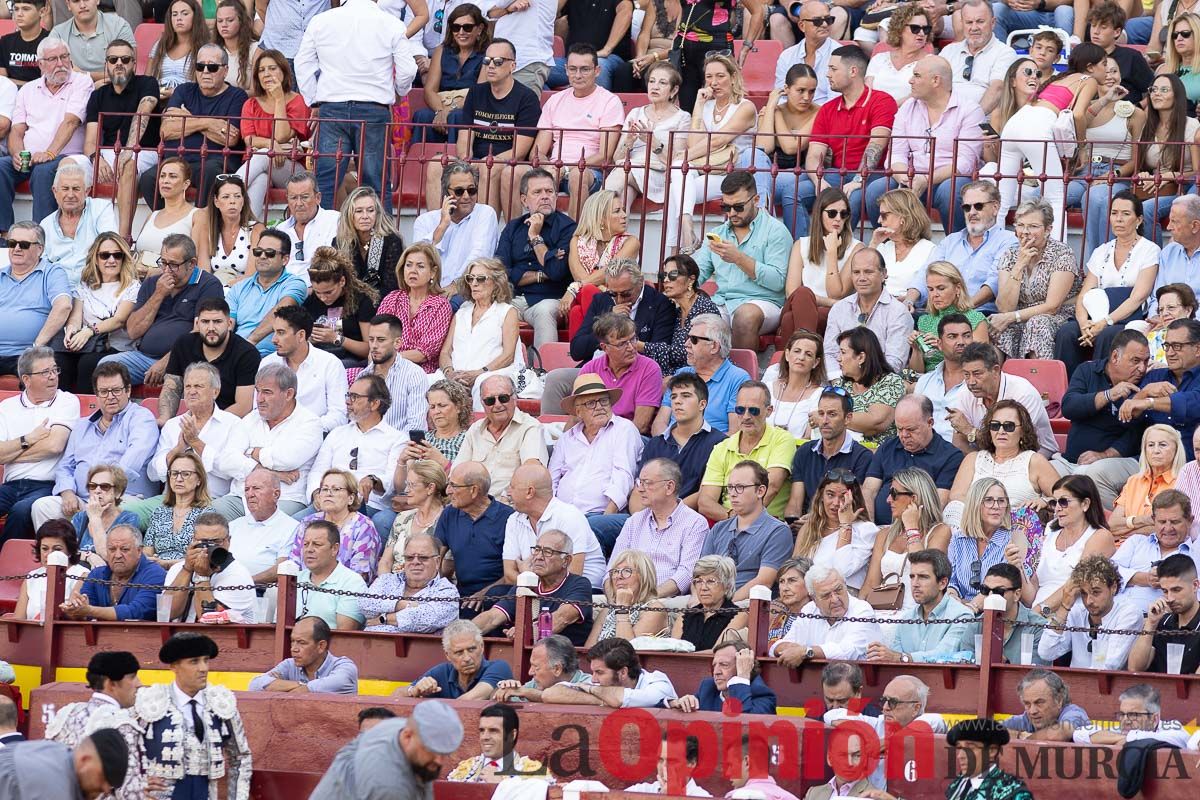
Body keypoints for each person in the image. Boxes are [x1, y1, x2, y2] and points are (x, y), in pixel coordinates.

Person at [294, 0, 418, 209]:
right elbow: (407, 70)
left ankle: (319, 238)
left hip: (332, 107)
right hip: (373, 108)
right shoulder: (391, 23)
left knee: (325, 182)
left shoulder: (321, 21)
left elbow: (302, 63)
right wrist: (400, 90)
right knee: (376, 183)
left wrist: (313, 99)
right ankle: (381, 241)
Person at [31, 361, 157, 528]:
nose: (110, 396)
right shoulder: (82, 426)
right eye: (104, 392)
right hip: (83, 500)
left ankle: (95, 554)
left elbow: (131, 463)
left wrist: (102, 491)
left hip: (123, 498)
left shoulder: (141, 418)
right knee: (43, 507)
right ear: (96, 395)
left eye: (116, 390)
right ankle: (66, 554)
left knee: (117, 510)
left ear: (128, 390)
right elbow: (65, 467)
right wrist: (67, 492)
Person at [866, 56, 982, 235]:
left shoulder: (969, 110)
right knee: (876, 189)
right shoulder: (907, 108)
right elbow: (895, 155)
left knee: (950, 191)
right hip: (911, 177)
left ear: (936, 80)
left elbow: (964, 163)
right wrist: (905, 177)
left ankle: (957, 245)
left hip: (947, 178)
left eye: (917, 75)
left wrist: (926, 179)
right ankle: (888, 249)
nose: (910, 80)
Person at [790, 45, 898, 236]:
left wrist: (859, 179)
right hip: (836, 173)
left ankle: (839, 253)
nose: (827, 74)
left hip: (872, 175)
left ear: (853, 71)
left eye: (833, 69)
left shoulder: (882, 101)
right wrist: (819, 180)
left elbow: (877, 145)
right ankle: (804, 250)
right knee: (793, 192)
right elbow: (815, 153)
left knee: (851, 198)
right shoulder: (828, 108)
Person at [1056, 191, 1160, 378]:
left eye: (1126, 214)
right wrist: (1083, 324)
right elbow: (1084, 295)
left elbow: (1138, 297)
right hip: (1096, 314)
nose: (1118, 219)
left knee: (1108, 334)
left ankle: (1100, 388)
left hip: (1126, 316)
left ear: (1139, 220)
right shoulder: (1101, 251)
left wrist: (1105, 322)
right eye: (1114, 213)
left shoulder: (1149, 250)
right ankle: (1070, 389)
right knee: (1067, 332)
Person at [98, 234, 224, 387]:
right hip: (144, 357)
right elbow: (133, 331)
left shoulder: (208, 285)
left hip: (187, 360)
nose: (166, 270)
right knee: (106, 367)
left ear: (191, 264)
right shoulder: (152, 283)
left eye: (173, 265)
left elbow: (201, 332)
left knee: (191, 377)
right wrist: (158, 294)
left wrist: (168, 362)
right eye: (163, 262)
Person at [513, 43, 623, 220]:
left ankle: (574, 240)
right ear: (565, 69)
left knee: (576, 176)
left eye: (584, 69)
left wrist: (564, 168)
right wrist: (547, 165)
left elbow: (605, 155)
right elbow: (538, 151)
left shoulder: (609, 101)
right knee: (513, 172)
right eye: (573, 69)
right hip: (555, 168)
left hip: (589, 172)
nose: (577, 75)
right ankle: (516, 235)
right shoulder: (555, 100)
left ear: (597, 71)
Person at [135, 633, 251, 798]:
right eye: (194, 661)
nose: (203, 668)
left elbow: (240, 758)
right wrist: (135, 784)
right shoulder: (150, 700)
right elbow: (123, 751)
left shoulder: (221, 702)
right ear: (174, 666)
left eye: (206, 660)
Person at [139, 43, 249, 208]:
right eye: (200, 66)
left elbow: (230, 138)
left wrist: (187, 118)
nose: (205, 72)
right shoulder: (183, 90)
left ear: (225, 71)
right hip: (177, 160)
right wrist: (209, 123)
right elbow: (165, 130)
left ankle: (200, 224)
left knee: (211, 171)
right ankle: (170, 224)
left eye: (212, 67)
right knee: (148, 179)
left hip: (214, 161)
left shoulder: (236, 96)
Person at [689, 174, 790, 350]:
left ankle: (742, 376)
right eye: (726, 207)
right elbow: (697, 273)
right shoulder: (718, 233)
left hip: (765, 303)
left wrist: (739, 259)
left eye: (738, 207)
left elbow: (778, 282)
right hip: (724, 302)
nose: (732, 213)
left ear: (756, 200)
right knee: (699, 318)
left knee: (745, 316)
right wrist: (682, 279)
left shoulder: (776, 231)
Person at [0, 39, 91, 235]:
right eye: (52, 59)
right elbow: (17, 130)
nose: (60, 63)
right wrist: (17, 154)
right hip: (31, 157)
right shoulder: (28, 89)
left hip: (66, 157)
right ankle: (4, 234)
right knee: (1, 167)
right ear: (40, 64)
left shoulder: (81, 82)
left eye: (64, 57)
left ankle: (40, 237)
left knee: (42, 172)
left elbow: (71, 122)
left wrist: (50, 152)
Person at [212, 362, 323, 520]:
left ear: (289, 394)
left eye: (267, 392)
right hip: (241, 497)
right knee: (211, 515)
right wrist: (272, 473)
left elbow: (287, 459)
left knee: (269, 523)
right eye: (258, 391)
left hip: (284, 498)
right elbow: (227, 461)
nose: (259, 399)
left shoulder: (310, 423)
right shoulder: (250, 419)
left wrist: (252, 452)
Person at [549, 372, 643, 552]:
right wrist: (551, 516)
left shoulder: (624, 430)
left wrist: (607, 514)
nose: (599, 407)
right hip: (565, 516)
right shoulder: (566, 439)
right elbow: (551, 480)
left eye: (603, 401)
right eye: (591, 403)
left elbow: (624, 476)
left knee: (585, 529)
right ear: (578, 412)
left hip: (603, 515)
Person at [1057, 329, 1152, 507]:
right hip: (1070, 460)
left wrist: (1104, 455)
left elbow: (1137, 435)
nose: (1142, 368)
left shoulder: (1144, 384)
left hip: (1118, 460)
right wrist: (1108, 395)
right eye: (1136, 361)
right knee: (1037, 469)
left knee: (1092, 473)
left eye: (1146, 361)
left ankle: (1108, 528)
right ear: (1115, 356)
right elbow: (1069, 407)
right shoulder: (1087, 370)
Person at [444, 39, 540, 214]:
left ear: (513, 66)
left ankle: (486, 235)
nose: (491, 66)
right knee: (436, 166)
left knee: (490, 167)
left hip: (507, 163)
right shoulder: (475, 92)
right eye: (487, 61)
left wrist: (485, 162)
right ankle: (439, 233)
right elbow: (465, 137)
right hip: (477, 161)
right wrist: (467, 161)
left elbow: (518, 151)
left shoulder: (527, 97)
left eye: (498, 61)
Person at [309, 699, 464, 800]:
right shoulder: (388, 785)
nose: (439, 760)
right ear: (407, 736)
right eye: (432, 750)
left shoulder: (401, 727)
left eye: (445, 753)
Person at [307, 374, 403, 535]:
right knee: (295, 523)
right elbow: (318, 470)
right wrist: (316, 492)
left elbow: (393, 481)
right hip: (331, 501)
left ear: (374, 403)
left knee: (382, 522)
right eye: (348, 395)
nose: (347, 401)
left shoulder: (396, 438)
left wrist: (374, 480)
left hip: (371, 505)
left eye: (355, 397)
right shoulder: (337, 433)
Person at [990, 199, 1084, 361]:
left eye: (1033, 226)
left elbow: (1052, 307)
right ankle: (997, 381)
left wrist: (1013, 317)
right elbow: (1004, 307)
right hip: (1019, 315)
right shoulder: (1010, 254)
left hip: (1057, 316)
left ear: (1048, 230)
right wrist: (1019, 265)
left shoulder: (1062, 254)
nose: (1025, 232)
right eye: (1020, 225)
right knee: (998, 328)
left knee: (1036, 324)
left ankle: (1040, 382)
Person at [0, 346, 78, 540]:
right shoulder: (6, 407)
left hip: (46, 485)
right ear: (26, 379)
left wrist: (13, 451)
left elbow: (54, 446)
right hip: (11, 485)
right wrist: (29, 439)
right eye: (45, 372)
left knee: (21, 511)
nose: (53, 376)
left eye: (54, 370)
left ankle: (7, 569)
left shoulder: (66, 401)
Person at [494, 170, 576, 349]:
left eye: (549, 191)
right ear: (524, 200)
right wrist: (542, 273)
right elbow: (501, 272)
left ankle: (542, 372)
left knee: (544, 311)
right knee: (485, 310)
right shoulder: (513, 228)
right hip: (514, 299)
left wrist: (534, 236)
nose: (545, 197)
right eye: (537, 192)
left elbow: (556, 272)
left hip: (551, 299)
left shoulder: (568, 228)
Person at [45, 651, 144, 800]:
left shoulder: (67, 714)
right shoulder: (122, 724)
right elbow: (130, 792)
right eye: (132, 677)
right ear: (111, 684)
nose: (139, 683)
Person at [947, 399, 1060, 530]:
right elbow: (957, 497)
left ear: (1023, 430)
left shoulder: (1034, 461)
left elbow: (1063, 496)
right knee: (954, 508)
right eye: (995, 425)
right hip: (973, 527)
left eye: (1009, 426)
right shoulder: (973, 459)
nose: (1001, 431)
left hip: (1015, 533)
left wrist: (1044, 501)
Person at [905, 181, 1014, 314]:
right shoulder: (950, 241)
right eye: (967, 207)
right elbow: (926, 273)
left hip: (980, 313)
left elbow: (994, 283)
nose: (971, 212)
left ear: (995, 208)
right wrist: (909, 300)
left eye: (978, 206)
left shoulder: (1008, 241)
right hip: (942, 313)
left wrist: (961, 310)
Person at [471, 529, 595, 645]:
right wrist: (462, 634)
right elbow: (493, 617)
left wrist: (524, 632)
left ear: (566, 561)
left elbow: (561, 618)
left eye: (547, 552)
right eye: (537, 550)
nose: (539, 557)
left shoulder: (579, 584)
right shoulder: (527, 585)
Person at [548, 310, 662, 435]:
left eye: (633, 339)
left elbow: (641, 425)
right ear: (604, 347)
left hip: (630, 437)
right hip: (594, 435)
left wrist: (605, 444)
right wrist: (564, 442)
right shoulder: (590, 369)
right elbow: (577, 416)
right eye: (622, 344)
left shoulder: (650, 369)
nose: (631, 347)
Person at [438, 258, 532, 405]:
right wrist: (449, 373)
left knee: (484, 384)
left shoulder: (507, 312)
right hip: (456, 375)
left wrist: (479, 373)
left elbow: (508, 356)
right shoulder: (461, 314)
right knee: (428, 380)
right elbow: (445, 352)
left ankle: (480, 427)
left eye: (481, 279)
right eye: (470, 278)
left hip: (491, 373)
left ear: (496, 283)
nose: (474, 283)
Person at [699, 380, 795, 521]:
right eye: (740, 410)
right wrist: (734, 518)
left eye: (754, 410)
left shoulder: (782, 439)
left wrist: (745, 520)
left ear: (769, 411)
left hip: (767, 525)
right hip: (727, 522)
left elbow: (771, 487)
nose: (746, 416)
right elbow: (705, 502)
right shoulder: (722, 447)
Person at [612, 458, 708, 597]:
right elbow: (612, 568)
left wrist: (647, 598)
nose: (640, 489)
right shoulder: (633, 522)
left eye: (647, 483)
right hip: (626, 597)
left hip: (665, 601)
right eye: (640, 482)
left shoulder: (695, 523)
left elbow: (686, 574)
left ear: (669, 487)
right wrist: (615, 599)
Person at [604, 61, 691, 211]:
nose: (655, 86)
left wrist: (652, 142)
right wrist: (629, 142)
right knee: (621, 203)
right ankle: (617, 234)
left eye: (662, 83)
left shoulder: (682, 117)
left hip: (657, 174)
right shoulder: (635, 113)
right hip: (630, 170)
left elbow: (676, 160)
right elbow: (617, 158)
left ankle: (595, 222)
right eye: (651, 81)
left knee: (619, 176)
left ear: (674, 89)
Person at [863, 395, 963, 525]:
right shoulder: (887, 447)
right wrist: (869, 528)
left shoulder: (950, 456)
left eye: (911, 429)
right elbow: (869, 490)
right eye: (899, 429)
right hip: (877, 529)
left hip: (919, 530)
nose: (904, 435)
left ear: (930, 423)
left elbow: (937, 504)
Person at [699, 460, 792, 600]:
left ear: (760, 491)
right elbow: (700, 575)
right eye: (730, 487)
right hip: (708, 600)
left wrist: (722, 607)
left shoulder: (778, 531)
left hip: (746, 604)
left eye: (740, 487)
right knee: (660, 607)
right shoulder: (719, 528)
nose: (733, 494)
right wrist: (697, 603)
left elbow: (763, 582)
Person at [56, 234, 136, 394]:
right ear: (96, 259)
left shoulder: (132, 287)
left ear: (124, 258)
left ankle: (86, 414)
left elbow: (119, 320)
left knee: (88, 364)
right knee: (58, 362)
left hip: (114, 346)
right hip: (85, 344)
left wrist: (90, 330)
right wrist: (71, 329)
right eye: (105, 255)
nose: (111, 260)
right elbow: (76, 316)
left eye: (117, 255)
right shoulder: (85, 285)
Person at [949, 342, 1058, 457]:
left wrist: (970, 431)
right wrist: (980, 463)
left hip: (1032, 458)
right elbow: (958, 443)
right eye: (966, 375)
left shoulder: (1023, 393)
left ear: (995, 370)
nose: (971, 382)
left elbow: (1011, 445)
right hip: (985, 459)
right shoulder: (965, 392)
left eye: (977, 374)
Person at [158, 298, 259, 423]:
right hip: (191, 419)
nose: (211, 328)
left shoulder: (246, 353)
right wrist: (165, 420)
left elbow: (243, 406)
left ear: (229, 324)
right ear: (197, 323)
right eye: (205, 322)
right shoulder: (183, 344)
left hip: (229, 424)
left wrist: (208, 425)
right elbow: (171, 389)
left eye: (217, 322)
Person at [503, 463, 604, 587]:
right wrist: (531, 578)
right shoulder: (514, 519)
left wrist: (527, 575)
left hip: (580, 593)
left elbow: (573, 575)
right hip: (535, 590)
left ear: (529, 492)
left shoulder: (570, 517)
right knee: (496, 593)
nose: (508, 493)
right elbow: (509, 575)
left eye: (512, 487)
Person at [237, 50, 310, 220]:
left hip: (289, 168)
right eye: (261, 70)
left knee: (263, 155)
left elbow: (282, 136)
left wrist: (279, 100)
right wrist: (270, 145)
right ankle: (250, 228)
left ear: (284, 72)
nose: (266, 74)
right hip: (260, 167)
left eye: (272, 68)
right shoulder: (251, 103)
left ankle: (229, 188)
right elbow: (248, 138)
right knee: (260, 179)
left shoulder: (297, 100)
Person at [866, 548, 973, 662]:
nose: (915, 584)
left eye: (923, 577)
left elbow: (944, 655)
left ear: (942, 583)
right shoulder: (906, 619)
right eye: (912, 577)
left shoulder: (962, 616)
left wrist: (903, 658)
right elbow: (896, 662)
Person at [651, 313, 751, 435]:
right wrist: (667, 445)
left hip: (711, 450)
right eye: (687, 338)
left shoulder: (738, 379)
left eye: (693, 340)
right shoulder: (682, 374)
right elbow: (660, 422)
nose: (686, 344)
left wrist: (694, 449)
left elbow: (735, 433)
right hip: (670, 447)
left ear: (714, 346)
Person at [1037, 554, 1140, 669]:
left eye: (1095, 592)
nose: (1088, 601)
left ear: (1113, 588)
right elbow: (1046, 652)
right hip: (1076, 684)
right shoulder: (1075, 612)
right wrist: (1064, 607)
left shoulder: (1129, 614)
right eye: (1084, 593)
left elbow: (1110, 665)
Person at [453, 374, 548, 500]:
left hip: (508, 505)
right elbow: (457, 472)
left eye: (503, 398)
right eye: (490, 401)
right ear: (482, 403)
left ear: (515, 398)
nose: (497, 405)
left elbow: (531, 472)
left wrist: (508, 496)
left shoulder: (530, 427)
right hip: (472, 503)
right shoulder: (475, 430)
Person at [435, 462, 513, 611]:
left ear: (474, 490)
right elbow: (434, 556)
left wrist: (484, 593)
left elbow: (514, 572)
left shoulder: (508, 518)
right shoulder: (449, 514)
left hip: (498, 597)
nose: (448, 490)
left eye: (454, 485)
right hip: (459, 594)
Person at [823, 249, 914, 377]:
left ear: (884, 274)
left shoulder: (899, 312)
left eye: (868, 272)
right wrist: (838, 381)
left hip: (879, 385)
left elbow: (895, 362)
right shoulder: (839, 309)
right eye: (856, 272)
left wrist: (861, 381)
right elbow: (829, 353)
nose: (861, 278)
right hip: (840, 383)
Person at [1030, 476, 1115, 610]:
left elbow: (1077, 582)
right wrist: (1017, 565)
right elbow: (1034, 585)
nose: (1057, 508)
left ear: (1085, 504)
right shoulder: (1050, 531)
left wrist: (1041, 610)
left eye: (1063, 502)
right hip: (1036, 614)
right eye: (1055, 502)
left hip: (1072, 614)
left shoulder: (1100, 536)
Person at [1120, 319, 1200, 459]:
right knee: (1095, 471)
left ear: (1198, 349)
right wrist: (1143, 393)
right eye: (1167, 346)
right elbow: (1125, 420)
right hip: (1146, 464)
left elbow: (1193, 403)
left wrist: (1149, 402)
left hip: (1190, 466)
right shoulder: (1154, 377)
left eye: (1177, 346)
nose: (1169, 353)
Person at [412, 161, 499, 290]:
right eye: (459, 191)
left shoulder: (485, 213)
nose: (466, 196)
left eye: (471, 190)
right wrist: (442, 226)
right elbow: (417, 261)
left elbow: (479, 257)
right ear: (446, 193)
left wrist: (456, 285)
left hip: (467, 290)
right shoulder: (424, 221)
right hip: (428, 291)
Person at [261, 306, 349, 433]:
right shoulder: (267, 363)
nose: (273, 339)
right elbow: (259, 410)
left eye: (281, 332)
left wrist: (304, 429)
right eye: (274, 332)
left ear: (301, 335)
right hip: (272, 434)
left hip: (316, 437)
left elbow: (339, 416)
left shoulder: (330, 363)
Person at [784, 390, 872, 517]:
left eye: (832, 414)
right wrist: (793, 522)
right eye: (821, 413)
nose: (824, 420)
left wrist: (813, 521)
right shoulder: (804, 452)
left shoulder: (862, 457)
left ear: (848, 418)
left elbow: (856, 509)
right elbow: (795, 503)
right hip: (805, 528)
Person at [771, 565, 883, 664]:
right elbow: (777, 646)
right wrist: (789, 648)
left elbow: (846, 652)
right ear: (814, 599)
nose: (835, 599)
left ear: (845, 585)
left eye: (838, 590)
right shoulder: (809, 609)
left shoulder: (862, 609)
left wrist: (806, 651)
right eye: (826, 595)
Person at [0, 222, 71, 377]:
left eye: (24, 244)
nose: (17, 248)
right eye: (12, 243)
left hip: (30, 354)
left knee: (38, 372)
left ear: (40, 249)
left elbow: (63, 306)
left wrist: (36, 347)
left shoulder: (52, 273)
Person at [412, 4, 488, 145]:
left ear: (480, 29)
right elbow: (430, 90)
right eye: (455, 27)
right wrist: (440, 111)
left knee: (457, 117)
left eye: (467, 27)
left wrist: (448, 111)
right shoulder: (441, 50)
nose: (461, 32)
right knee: (422, 115)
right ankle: (419, 163)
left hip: (471, 107)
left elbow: (480, 92)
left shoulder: (487, 53)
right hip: (441, 104)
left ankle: (456, 163)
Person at [791, 469, 877, 593]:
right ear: (821, 495)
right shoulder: (809, 528)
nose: (836, 503)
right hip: (807, 598)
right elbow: (794, 570)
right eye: (830, 495)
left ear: (854, 499)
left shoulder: (865, 529)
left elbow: (842, 570)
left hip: (843, 599)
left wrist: (845, 525)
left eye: (843, 497)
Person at [1112, 489, 1200, 611]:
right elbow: (1106, 573)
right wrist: (1144, 578)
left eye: (1175, 522)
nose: (1168, 528)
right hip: (1112, 616)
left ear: (1189, 521)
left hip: (1158, 623)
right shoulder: (1136, 542)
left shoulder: (1195, 555)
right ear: (1153, 520)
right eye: (1162, 522)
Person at [225, 230, 309, 356]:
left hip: (277, 357)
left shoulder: (295, 284)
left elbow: (281, 310)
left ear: (285, 259)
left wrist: (250, 342)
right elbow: (227, 325)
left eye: (270, 253)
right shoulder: (239, 288)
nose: (262, 256)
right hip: (239, 355)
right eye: (258, 252)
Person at [946, 479, 1029, 606]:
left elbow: (999, 588)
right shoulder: (958, 539)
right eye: (989, 500)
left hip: (994, 612)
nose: (996, 506)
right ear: (975, 504)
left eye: (1001, 501)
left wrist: (970, 608)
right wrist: (953, 597)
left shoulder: (1012, 541)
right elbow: (952, 580)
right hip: (959, 610)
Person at [289, 468, 382, 583]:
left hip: (344, 593)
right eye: (325, 489)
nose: (329, 493)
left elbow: (360, 575)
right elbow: (294, 563)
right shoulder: (308, 522)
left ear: (351, 498)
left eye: (336, 489)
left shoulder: (363, 526)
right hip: (304, 590)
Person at [161, 511, 256, 622]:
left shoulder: (237, 575)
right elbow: (167, 613)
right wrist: (187, 569)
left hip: (221, 638)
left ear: (228, 541)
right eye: (204, 541)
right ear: (193, 540)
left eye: (216, 542)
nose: (210, 547)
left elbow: (210, 622)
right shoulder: (178, 569)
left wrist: (202, 576)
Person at [40, 162, 118, 294]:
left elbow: (110, 246)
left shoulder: (101, 209)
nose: (70, 195)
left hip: (96, 286)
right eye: (65, 188)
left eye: (76, 189)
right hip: (59, 291)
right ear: (55, 191)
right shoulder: (45, 225)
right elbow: (42, 265)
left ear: (87, 191)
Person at [61, 524, 165, 621]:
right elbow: (84, 609)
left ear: (139, 551)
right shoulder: (96, 575)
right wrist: (75, 608)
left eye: (124, 549)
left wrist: (90, 610)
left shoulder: (155, 574)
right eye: (112, 549)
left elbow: (135, 611)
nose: (117, 555)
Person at [375, 248, 453, 376]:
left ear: (433, 272)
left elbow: (423, 354)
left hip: (420, 372)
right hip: (384, 367)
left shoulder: (440, 306)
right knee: (349, 376)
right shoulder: (392, 299)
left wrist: (389, 358)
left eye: (420, 266)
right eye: (408, 265)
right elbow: (376, 338)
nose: (413, 271)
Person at [362, 532, 459, 633]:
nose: (415, 562)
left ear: (437, 562)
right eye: (409, 558)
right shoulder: (387, 580)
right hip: (369, 645)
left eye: (423, 558)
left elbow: (426, 619)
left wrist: (383, 619)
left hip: (413, 647)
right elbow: (365, 604)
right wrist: (401, 605)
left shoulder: (447, 591)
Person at [640, 255, 720, 378]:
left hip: (704, 375)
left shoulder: (704, 308)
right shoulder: (677, 311)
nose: (666, 280)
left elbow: (695, 351)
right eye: (663, 276)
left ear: (691, 279)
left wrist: (642, 346)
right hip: (680, 374)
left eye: (672, 275)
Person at [788, 195, 864, 318]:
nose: (838, 218)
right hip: (804, 306)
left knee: (789, 319)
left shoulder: (856, 248)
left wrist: (832, 253)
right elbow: (792, 293)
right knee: (798, 303)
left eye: (843, 214)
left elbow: (836, 295)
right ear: (819, 214)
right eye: (832, 213)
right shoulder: (801, 245)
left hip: (834, 313)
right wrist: (830, 302)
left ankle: (803, 337)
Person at [1108, 424, 1184, 544]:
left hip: (1157, 550)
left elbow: (1166, 529)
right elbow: (1112, 525)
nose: (1156, 451)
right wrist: (1143, 520)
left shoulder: (1182, 482)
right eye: (1151, 445)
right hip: (1121, 549)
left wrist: (1127, 529)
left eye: (1163, 445)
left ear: (1176, 450)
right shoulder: (1133, 481)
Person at [908, 263, 989, 375]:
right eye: (931, 289)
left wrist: (943, 347)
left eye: (941, 288)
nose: (935, 295)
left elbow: (980, 363)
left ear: (957, 289)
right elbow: (916, 372)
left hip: (962, 380)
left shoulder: (975, 319)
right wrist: (916, 349)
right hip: (927, 381)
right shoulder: (924, 321)